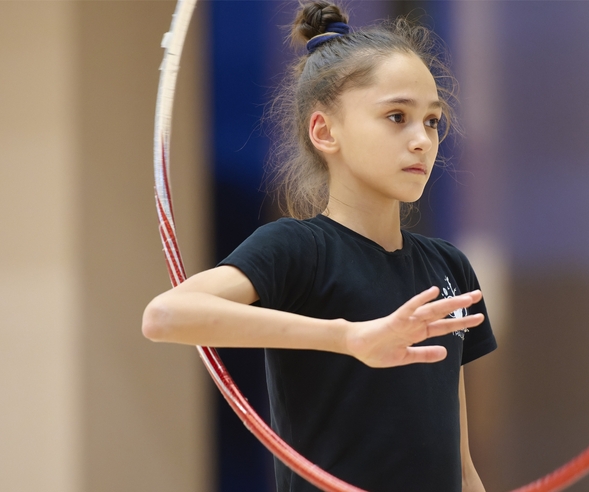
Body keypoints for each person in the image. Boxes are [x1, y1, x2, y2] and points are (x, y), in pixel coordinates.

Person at [142, 1, 497, 491]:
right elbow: (164, 317)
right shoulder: (299, 248)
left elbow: (460, 464)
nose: (422, 140)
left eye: (433, 121)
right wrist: (346, 338)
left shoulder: (449, 266)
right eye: (397, 116)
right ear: (324, 131)